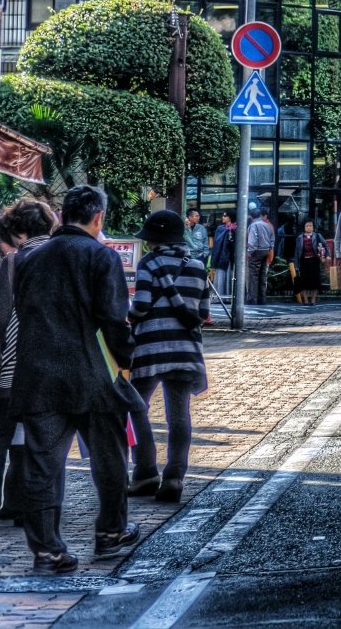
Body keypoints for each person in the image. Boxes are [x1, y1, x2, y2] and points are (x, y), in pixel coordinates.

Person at [8, 185, 139, 572]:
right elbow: (114, 321)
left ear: (62, 215)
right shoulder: (101, 256)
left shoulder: (29, 258)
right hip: (91, 376)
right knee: (109, 457)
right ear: (98, 217)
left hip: (37, 376)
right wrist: (126, 359)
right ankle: (111, 531)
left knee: (42, 465)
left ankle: (47, 548)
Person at [0, 200, 55, 534]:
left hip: (14, 365)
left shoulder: (13, 261)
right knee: (37, 439)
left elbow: (3, 316)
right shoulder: (61, 258)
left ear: (19, 230)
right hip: (49, 366)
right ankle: (25, 508)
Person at [126, 211, 208, 505]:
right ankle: (174, 477)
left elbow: (142, 304)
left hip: (149, 348)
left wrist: (128, 318)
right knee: (179, 415)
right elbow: (203, 312)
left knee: (135, 409)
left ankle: (145, 472)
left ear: (153, 240)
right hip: (185, 351)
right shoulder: (197, 266)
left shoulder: (148, 264)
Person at [292, 219, 330, 306]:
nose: (308, 227)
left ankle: (313, 299)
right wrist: (296, 265)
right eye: (307, 226)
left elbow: (325, 245)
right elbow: (297, 252)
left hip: (314, 260)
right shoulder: (300, 237)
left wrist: (327, 255)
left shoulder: (317, 236)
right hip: (304, 261)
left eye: (310, 226)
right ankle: (305, 299)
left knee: (315, 280)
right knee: (303, 281)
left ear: (313, 227)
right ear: (304, 227)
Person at [244, 207, 275, 305]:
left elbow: (252, 240)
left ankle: (252, 299)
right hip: (266, 250)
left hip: (256, 251)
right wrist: (269, 248)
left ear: (251, 217)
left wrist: (249, 251)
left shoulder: (253, 225)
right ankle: (262, 299)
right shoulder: (267, 225)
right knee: (262, 276)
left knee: (253, 276)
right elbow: (272, 239)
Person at [210, 212, 235, 304]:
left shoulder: (236, 228)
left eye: (225, 216)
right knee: (220, 276)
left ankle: (229, 297)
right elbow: (217, 243)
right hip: (221, 255)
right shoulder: (220, 228)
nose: (223, 217)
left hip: (231, 256)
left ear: (230, 217)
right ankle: (219, 297)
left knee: (230, 275)